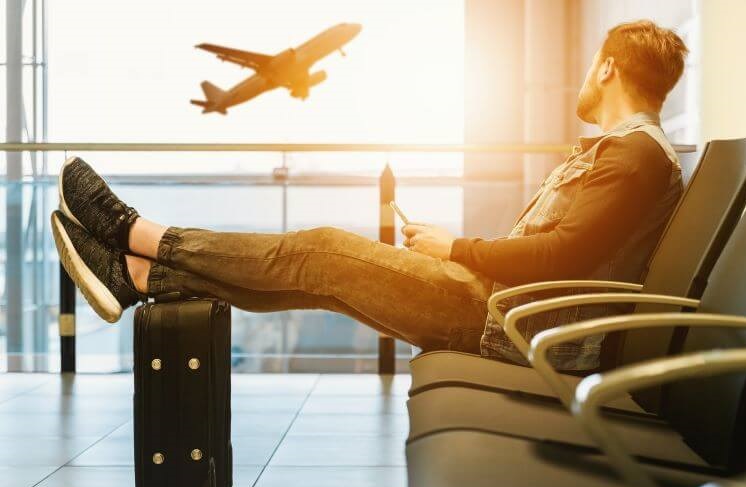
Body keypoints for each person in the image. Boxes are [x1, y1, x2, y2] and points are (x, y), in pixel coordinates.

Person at [52, 20, 688, 371]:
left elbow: (562, 258)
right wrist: (458, 251)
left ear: (606, 67)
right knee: (323, 279)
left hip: (505, 324)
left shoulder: (633, 155)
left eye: (589, 67)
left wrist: (458, 247)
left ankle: (134, 234)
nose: (583, 79)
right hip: (505, 312)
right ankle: (138, 277)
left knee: (321, 251)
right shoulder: (630, 154)